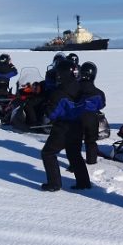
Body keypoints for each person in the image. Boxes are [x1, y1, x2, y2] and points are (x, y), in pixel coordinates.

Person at [40, 60, 90, 192]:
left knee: (48, 153)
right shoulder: (80, 87)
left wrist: (47, 108)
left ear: (62, 73)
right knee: (74, 154)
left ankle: (54, 184)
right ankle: (84, 182)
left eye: (58, 72)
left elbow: (52, 114)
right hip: (78, 125)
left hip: (63, 127)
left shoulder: (59, 92)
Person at [78, 61, 106, 164]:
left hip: (77, 118)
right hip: (91, 119)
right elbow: (102, 105)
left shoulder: (74, 89)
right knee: (91, 141)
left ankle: (75, 163)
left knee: (75, 142)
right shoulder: (98, 92)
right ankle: (91, 160)